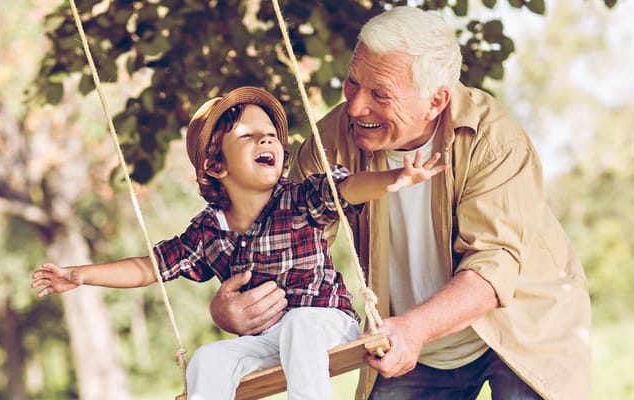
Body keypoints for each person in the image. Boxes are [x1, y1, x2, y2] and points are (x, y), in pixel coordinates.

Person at [208, 7, 591, 400]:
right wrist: (235, 307)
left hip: (519, 329)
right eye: (353, 83)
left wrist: (414, 328)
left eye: (380, 94)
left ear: (436, 101)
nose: (356, 108)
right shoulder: (333, 140)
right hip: (413, 340)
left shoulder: (494, 139)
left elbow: (493, 266)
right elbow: (278, 239)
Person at [31, 86, 446, 399]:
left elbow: (350, 187)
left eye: (270, 135)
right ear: (215, 165)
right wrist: (81, 275)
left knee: (300, 326)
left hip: (324, 324)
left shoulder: (299, 198)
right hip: (267, 339)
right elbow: (149, 267)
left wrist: (396, 179)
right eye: (248, 137)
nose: (267, 141)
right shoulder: (208, 232)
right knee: (209, 359)